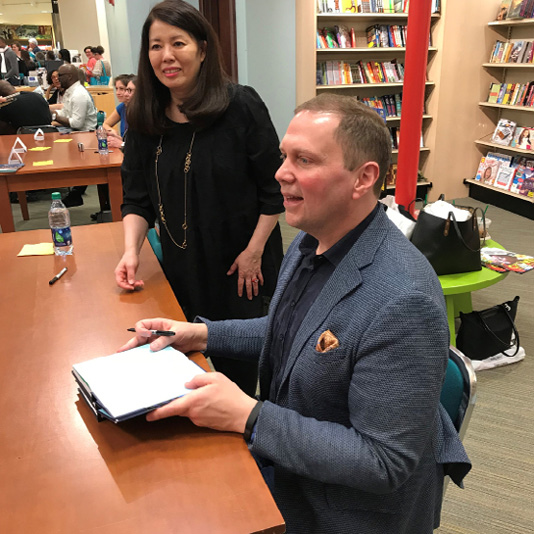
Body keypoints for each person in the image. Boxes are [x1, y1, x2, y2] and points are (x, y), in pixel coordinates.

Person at [122, 94, 471, 534]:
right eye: (283, 156)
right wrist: (198, 335)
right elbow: (296, 331)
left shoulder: (404, 300)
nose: (281, 173)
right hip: (292, 464)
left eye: (304, 160)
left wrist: (249, 416)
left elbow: (384, 462)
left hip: (347, 511)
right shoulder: (312, 241)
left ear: (363, 178)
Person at [116, 0, 284, 396]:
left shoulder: (240, 104)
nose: (167, 56)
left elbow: (274, 189)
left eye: (178, 43)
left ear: (203, 49)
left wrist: (255, 251)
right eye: (156, 46)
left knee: (234, 373)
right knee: (183, 365)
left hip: (241, 265)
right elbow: (137, 197)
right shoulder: (144, 114)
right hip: (181, 263)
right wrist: (131, 251)